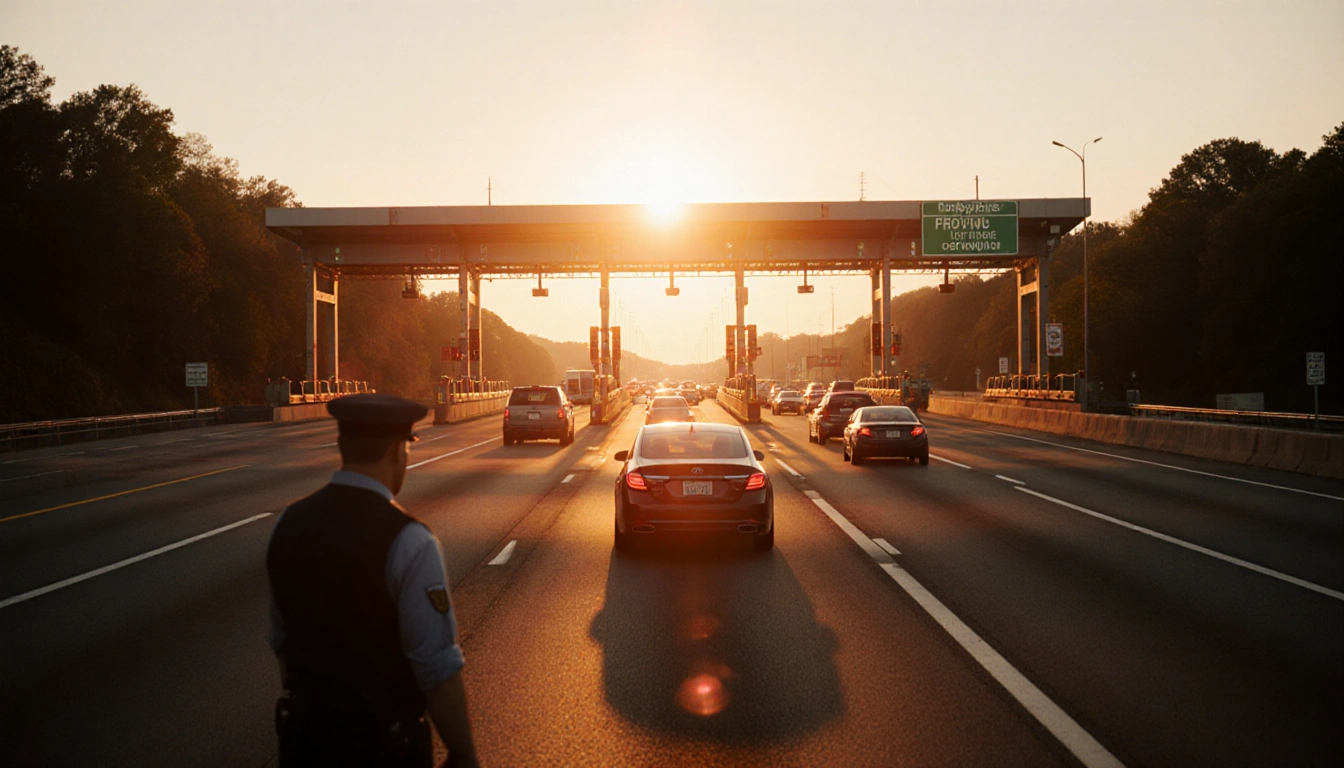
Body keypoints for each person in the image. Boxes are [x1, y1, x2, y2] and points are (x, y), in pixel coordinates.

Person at [266, 393, 479, 767]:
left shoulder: (288, 524)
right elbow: (436, 668)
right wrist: (464, 754)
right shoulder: (411, 541)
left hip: (304, 743)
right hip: (382, 746)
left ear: (341, 445)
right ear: (399, 451)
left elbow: (282, 639)